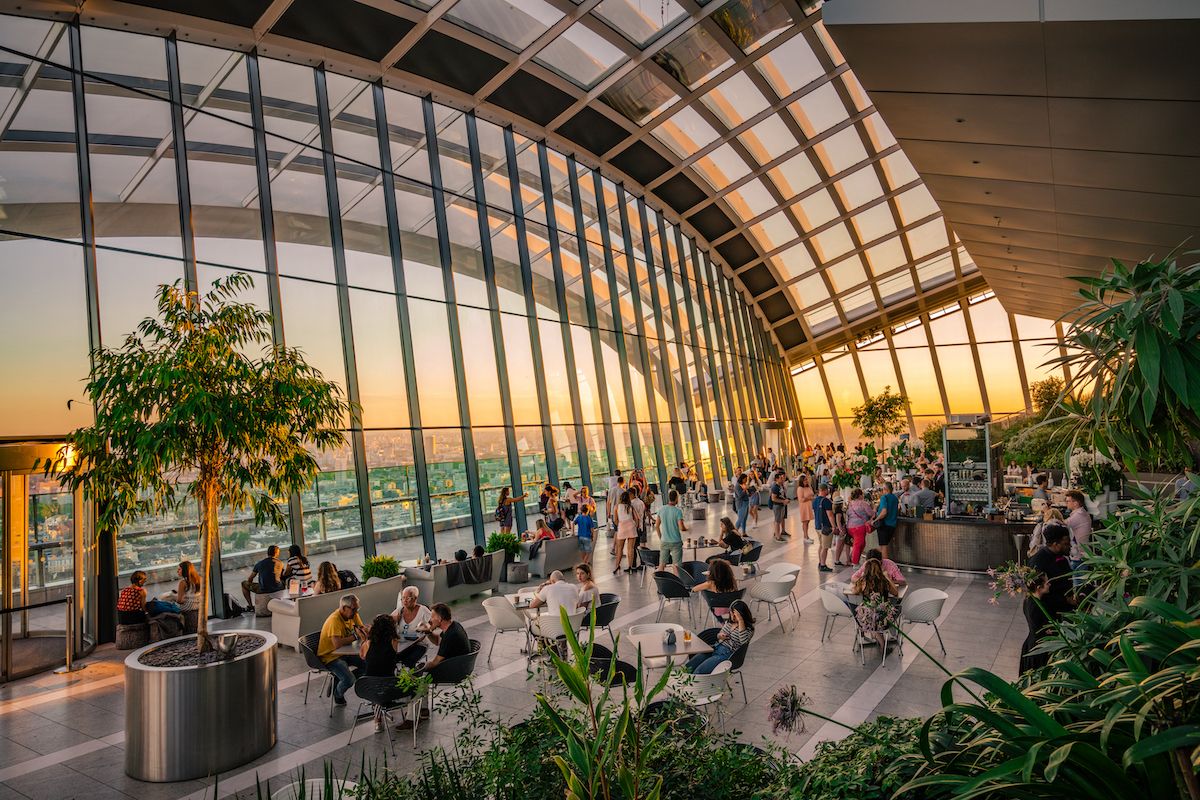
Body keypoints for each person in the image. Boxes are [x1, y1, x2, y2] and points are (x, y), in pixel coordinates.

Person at [358, 614, 410, 732]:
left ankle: (378, 721)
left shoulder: (369, 643)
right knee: (387, 680)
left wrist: (365, 639)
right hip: (389, 686)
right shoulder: (394, 641)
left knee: (376, 681)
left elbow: (362, 656)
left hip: (368, 686)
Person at [318, 594, 367, 706]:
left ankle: (339, 679)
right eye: (354, 609)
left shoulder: (352, 615)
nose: (356, 612)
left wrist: (364, 631)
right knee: (349, 680)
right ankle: (338, 694)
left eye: (357, 608)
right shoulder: (334, 620)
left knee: (368, 664)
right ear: (344, 608)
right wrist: (355, 636)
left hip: (345, 653)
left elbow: (361, 629)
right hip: (330, 656)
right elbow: (337, 644)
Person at [685, 600, 754, 674]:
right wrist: (720, 636)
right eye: (731, 614)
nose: (732, 617)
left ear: (742, 614)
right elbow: (719, 634)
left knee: (698, 672)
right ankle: (684, 685)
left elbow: (744, 642)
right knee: (687, 668)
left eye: (736, 615)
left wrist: (740, 621)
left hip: (727, 655)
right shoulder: (730, 622)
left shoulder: (749, 629)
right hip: (715, 647)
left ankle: (699, 685)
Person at [1027, 524, 1075, 620]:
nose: (1070, 546)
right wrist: (1065, 600)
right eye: (1066, 543)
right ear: (1055, 544)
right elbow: (1037, 592)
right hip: (1048, 613)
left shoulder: (1062, 558)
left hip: (1064, 609)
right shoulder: (1038, 562)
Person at [851, 559, 900, 649]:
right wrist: (888, 578)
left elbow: (854, 591)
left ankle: (871, 637)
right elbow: (896, 593)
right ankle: (881, 642)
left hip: (866, 618)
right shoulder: (884, 581)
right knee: (874, 616)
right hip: (884, 616)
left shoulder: (863, 581)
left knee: (865, 613)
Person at [1019, 572, 1053, 674]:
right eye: (1047, 583)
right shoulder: (1038, 606)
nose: (1049, 584)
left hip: (1031, 644)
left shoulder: (1028, 600)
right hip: (1039, 649)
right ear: (1039, 587)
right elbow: (1041, 630)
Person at [420, 603, 470, 673]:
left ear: (440, 619)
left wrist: (418, 668)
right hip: (462, 664)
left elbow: (435, 663)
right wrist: (428, 632)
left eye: (432, 617)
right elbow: (438, 641)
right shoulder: (453, 625)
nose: (430, 620)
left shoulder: (450, 635)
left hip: (454, 669)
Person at [1063, 490, 1092, 585]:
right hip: (1082, 554)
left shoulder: (1079, 515)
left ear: (1075, 503)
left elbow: (1062, 525)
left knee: (1078, 585)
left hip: (1079, 556)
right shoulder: (1082, 513)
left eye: (1068, 501)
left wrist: (1049, 513)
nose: (1066, 503)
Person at [656, 489, 687, 569]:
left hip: (664, 541)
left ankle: (659, 580)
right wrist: (687, 529)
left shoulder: (661, 509)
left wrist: (661, 538)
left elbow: (657, 526)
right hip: (676, 542)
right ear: (676, 498)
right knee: (676, 566)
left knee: (662, 564)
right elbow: (681, 528)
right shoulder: (678, 511)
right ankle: (676, 581)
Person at [613, 490, 640, 575]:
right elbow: (637, 518)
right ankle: (630, 567)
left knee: (619, 549)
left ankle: (617, 566)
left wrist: (620, 525)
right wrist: (635, 526)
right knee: (630, 549)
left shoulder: (617, 506)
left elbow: (615, 520)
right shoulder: (630, 507)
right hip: (631, 527)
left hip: (622, 527)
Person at [845, 488, 874, 567]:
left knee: (860, 543)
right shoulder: (863, 503)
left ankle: (853, 558)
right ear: (860, 495)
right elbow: (871, 513)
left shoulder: (850, 503)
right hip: (859, 527)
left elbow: (847, 513)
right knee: (858, 544)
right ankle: (855, 563)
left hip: (850, 527)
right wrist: (874, 510)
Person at [873, 482, 900, 561]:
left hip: (884, 524)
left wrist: (875, 520)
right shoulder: (895, 498)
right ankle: (881, 563)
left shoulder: (884, 497)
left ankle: (886, 567)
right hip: (892, 525)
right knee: (883, 545)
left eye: (882, 489)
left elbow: (884, 512)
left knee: (883, 546)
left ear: (886, 489)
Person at [812, 484, 835, 572]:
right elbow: (830, 515)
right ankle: (823, 565)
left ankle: (820, 562)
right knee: (825, 547)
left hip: (818, 526)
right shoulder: (826, 501)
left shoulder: (815, 500)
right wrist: (834, 526)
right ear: (825, 490)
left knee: (821, 545)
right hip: (825, 527)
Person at [769, 472, 789, 542]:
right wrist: (783, 501)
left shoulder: (781, 486)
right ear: (777, 479)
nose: (783, 479)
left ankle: (776, 533)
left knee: (779, 520)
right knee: (777, 521)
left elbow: (782, 495)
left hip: (782, 505)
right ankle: (777, 536)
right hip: (777, 506)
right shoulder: (775, 487)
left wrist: (785, 500)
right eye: (781, 478)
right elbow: (773, 498)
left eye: (783, 477)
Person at [796, 474, 815, 544]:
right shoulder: (800, 488)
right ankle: (805, 537)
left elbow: (812, 494)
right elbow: (801, 499)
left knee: (808, 522)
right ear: (801, 481)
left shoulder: (808, 487)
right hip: (804, 507)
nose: (806, 481)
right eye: (805, 480)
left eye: (806, 479)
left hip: (809, 506)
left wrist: (809, 485)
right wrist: (809, 498)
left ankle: (807, 536)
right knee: (805, 522)